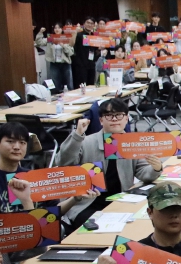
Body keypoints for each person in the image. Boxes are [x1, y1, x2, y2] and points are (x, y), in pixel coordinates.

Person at [55, 99, 163, 230]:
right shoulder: (86, 142)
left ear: (127, 118)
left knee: (141, 224)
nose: (114, 119)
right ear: (101, 120)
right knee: (98, 228)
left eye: (119, 115)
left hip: (121, 200)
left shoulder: (132, 143)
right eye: (109, 115)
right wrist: (77, 135)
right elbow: (63, 163)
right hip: (88, 203)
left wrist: (156, 168)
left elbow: (143, 172)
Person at [36, 23, 74, 91]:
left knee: (69, 83)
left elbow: (71, 52)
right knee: (55, 82)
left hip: (65, 63)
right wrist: (40, 33)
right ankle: (57, 95)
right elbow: (39, 42)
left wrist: (63, 46)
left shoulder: (66, 38)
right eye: (55, 28)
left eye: (59, 28)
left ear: (62, 29)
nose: (57, 29)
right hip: (54, 63)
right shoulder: (51, 38)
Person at [70, 16, 98, 86]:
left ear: (94, 25)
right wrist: (75, 33)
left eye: (91, 23)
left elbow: (96, 50)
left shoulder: (94, 37)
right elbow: (71, 44)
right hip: (81, 66)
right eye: (88, 22)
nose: (89, 25)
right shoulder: (79, 35)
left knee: (91, 85)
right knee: (81, 86)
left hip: (91, 65)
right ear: (84, 24)